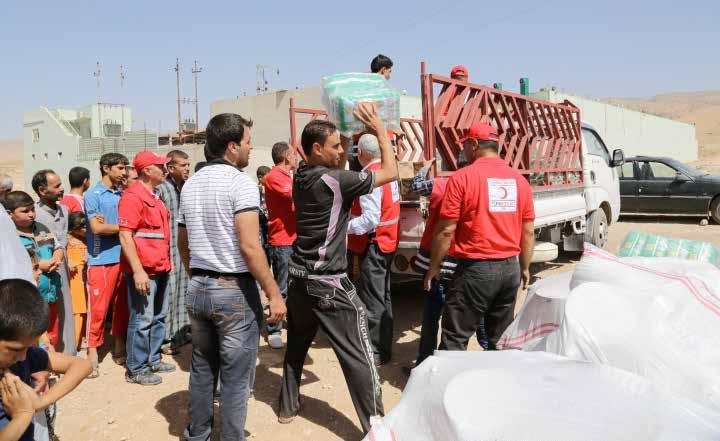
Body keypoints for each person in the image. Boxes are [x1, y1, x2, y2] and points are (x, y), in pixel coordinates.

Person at [279, 103, 396, 433]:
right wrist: (380, 130)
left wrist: (343, 129)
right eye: (335, 146)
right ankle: (376, 428)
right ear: (316, 149)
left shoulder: (302, 175)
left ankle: (287, 406)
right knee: (360, 355)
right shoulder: (336, 180)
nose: (343, 151)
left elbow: (339, 161)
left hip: (299, 278)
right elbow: (391, 172)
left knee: (297, 346)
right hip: (328, 283)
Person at [178, 113, 286, 441]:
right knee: (237, 379)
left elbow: (183, 243)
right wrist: (273, 292)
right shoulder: (241, 183)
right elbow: (250, 246)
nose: (251, 150)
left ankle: (197, 434)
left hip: (198, 287)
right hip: (233, 291)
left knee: (201, 368)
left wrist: (198, 276)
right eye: (248, 143)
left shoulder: (191, 184)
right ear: (232, 146)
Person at [424, 122, 536, 351]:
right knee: (501, 340)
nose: (463, 150)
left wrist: (434, 266)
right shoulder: (519, 181)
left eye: (465, 145)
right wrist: (524, 267)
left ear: (474, 144)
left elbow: (446, 230)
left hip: (475, 271)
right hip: (509, 270)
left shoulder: (462, 178)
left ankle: (448, 386)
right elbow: (528, 231)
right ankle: (499, 384)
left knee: (455, 338)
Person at [407, 154, 488, 371]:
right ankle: (488, 351)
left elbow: (416, 185)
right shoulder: (479, 187)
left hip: (437, 258)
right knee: (472, 310)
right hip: (464, 260)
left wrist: (424, 168)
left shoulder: (441, 184)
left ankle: (425, 363)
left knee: (432, 313)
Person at [0, 278, 92, 441]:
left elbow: (82, 365)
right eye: (15, 349)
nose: (22, 357)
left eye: (28, 348)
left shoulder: (23, 356)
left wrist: (40, 403)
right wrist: (23, 415)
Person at [118, 151, 176, 386]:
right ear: (146, 171)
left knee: (159, 316)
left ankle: (153, 358)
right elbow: (125, 235)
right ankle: (136, 368)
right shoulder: (132, 198)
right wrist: (138, 270)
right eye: (160, 166)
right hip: (144, 271)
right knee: (142, 319)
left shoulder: (155, 195)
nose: (165, 170)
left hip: (160, 267)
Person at [347, 134, 400, 365]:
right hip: (387, 243)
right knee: (384, 298)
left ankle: (376, 352)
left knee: (373, 301)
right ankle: (384, 348)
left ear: (362, 153)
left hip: (374, 245)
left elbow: (369, 219)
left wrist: (343, 228)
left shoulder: (371, 177)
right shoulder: (388, 171)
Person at [84, 153, 130, 377]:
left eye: (125, 168)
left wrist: (113, 225)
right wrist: (124, 227)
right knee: (99, 309)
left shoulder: (123, 194)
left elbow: (109, 226)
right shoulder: (93, 195)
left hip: (123, 257)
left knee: (121, 306)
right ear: (106, 168)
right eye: (120, 168)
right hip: (101, 259)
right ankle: (92, 351)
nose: (124, 172)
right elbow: (97, 229)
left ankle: (119, 343)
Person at [6, 191, 62, 349]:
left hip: (51, 292)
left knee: (52, 332)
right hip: (28, 298)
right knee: (35, 336)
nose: (31, 214)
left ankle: (51, 364)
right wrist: (38, 266)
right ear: (10, 213)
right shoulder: (9, 236)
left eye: (32, 209)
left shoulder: (42, 228)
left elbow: (58, 247)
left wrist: (56, 258)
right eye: (25, 211)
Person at [31, 170, 76, 356]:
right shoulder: (36, 214)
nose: (62, 189)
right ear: (42, 190)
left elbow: (63, 241)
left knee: (66, 308)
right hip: (44, 269)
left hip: (62, 265)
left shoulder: (64, 210)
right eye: (56, 186)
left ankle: (68, 354)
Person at [263, 142, 298, 349]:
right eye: (293, 155)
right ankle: (274, 330)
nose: (296, 159)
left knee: (294, 287)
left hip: (293, 239)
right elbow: (296, 196)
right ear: (286, 156)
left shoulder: (286, 177)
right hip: (282, 242)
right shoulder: (274, 177)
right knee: (281, 288)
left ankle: (288, 321)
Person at [157, 150, 191, 355]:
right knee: (168, 295)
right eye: (183, 165)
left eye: (188, 165)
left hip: (183, 250)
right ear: (171, 168)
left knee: (183, 291)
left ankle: (180, 334)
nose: (187, 168)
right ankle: (164, 340)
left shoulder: (185, 188)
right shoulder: (161, 190)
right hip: (166, 251)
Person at [66, 212, 88, 349]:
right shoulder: (68, 241)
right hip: (75, 279)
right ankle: (74, 342)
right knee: (78, 310)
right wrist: (69, 262)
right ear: (74, 228)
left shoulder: (86, 239)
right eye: (83, 226)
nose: (86, 229)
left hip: (84, 278)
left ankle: (81, 338)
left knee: (84, 310)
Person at [256, 165, 271, 264]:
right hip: (260, 228)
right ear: (260, 178)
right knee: (262, 255)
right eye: (268, 177)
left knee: (269, 256)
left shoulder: (271, 190)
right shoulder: (256, 191)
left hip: (270, 229)